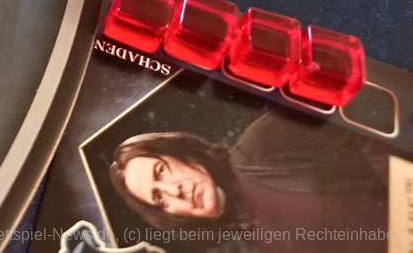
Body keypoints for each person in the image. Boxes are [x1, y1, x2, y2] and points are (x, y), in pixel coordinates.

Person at [109, 111, 391, 251]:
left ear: (182, 155)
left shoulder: (260, 144)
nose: (175, 191)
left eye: (161, 171)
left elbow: (360, 120)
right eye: (159, 197)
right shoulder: (242, 247)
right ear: (168, 214)